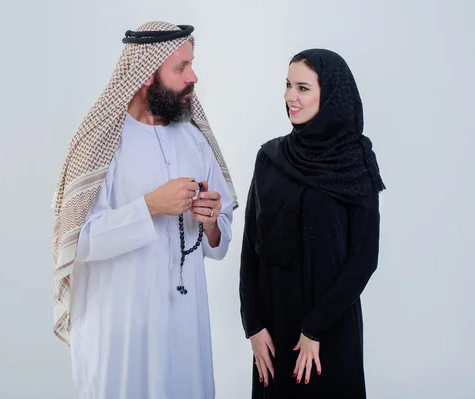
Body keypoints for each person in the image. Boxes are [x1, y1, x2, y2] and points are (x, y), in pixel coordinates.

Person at [51, 22, 238, 398]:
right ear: (145, 75)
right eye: (181, 68)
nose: (193, 77)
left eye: (192, 65)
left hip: (184, 327)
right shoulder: (101, 142)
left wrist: (212, 220)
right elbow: (77, 242)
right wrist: (151, 206)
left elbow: (219, 238)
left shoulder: (193, 138)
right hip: (120, 329)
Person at [239, 48, 385, 398]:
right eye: (288, 85)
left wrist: (314, 329)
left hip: (330, 328)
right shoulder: (271, 158)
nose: (291, 96)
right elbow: (250, 247)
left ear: (331, 94)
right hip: (273, 329)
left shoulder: (356, 162)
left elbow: (364, 259)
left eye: (303, 88)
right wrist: (253, 326)